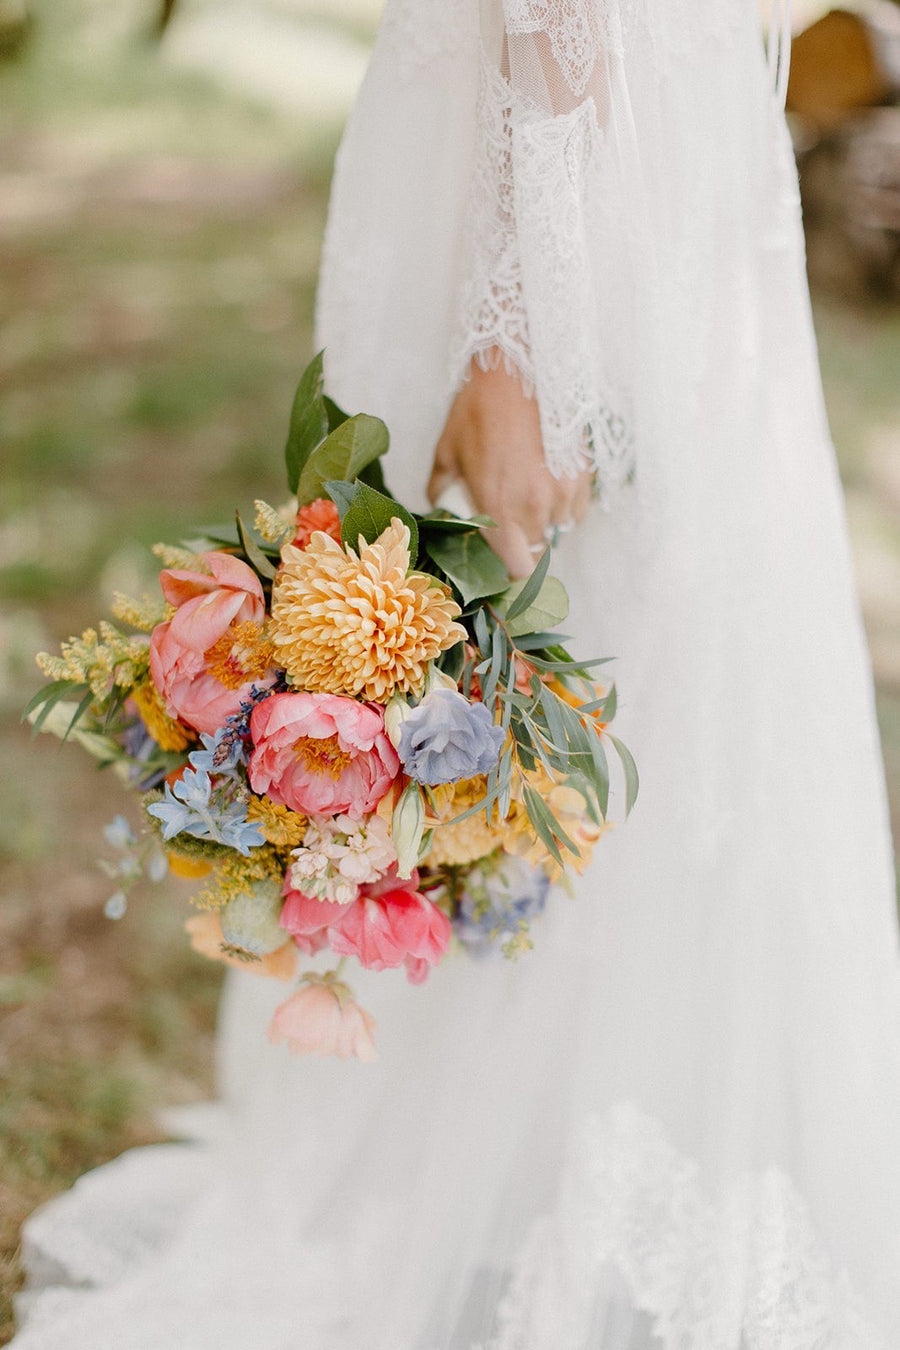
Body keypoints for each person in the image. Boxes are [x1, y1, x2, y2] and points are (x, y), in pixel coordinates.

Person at [13, 1, 900, 1346]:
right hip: (628, 215)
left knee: (580, 667)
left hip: (595, 234)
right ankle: (534, 1156)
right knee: (577, 678)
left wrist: (521, 346)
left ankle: (569, 1165)